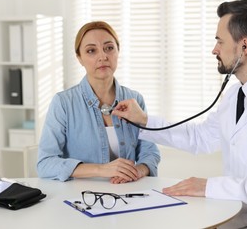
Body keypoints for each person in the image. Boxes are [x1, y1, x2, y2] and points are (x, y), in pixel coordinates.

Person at [112, 0, 247, 228]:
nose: (214, 49)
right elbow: (201, 137)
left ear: (244, 46)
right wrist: (143, 121)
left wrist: (209, 187)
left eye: (219, 41)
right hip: (240, 216)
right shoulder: (237, 94)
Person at [37, 21, 160, 183]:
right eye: (91, 51)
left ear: (118, 51)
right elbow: (45, 163)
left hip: (127, 193)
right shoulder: (63, 103)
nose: (103, 56)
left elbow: (150, 152)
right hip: (81, 197)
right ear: (79, 58)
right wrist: (101, 170)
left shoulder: (135, 99)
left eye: (109, 48)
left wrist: (137, 171)